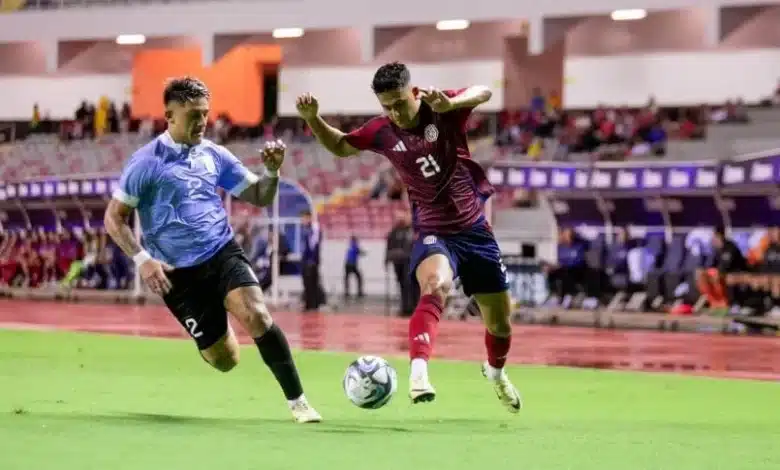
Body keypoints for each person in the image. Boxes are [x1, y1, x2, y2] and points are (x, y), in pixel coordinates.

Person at [296, 62, 521, 412]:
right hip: (434, 231)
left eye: (399, 103)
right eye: (387, 106)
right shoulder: (382, 131)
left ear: (413, 92)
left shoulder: (440, 108)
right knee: (435, 285)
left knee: (501, 323)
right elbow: (341, 146)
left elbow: (484, 92)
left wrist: (454, 104)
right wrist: (313, 119)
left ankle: (495, 373)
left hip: (476, 232)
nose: (395, 112)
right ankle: (419, 374)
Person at [104, 76, 321, 423]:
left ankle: (299, 403)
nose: (202, 122)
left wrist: (272, 170)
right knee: (225, 360)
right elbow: (114, 219)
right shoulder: (145, 163)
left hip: (221, 253)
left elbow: (259, 195)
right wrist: (143, 260)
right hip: (177, 275)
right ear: (170, 116)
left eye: (205, 113)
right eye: (193, 115)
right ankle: (215, 330)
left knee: (258, 315)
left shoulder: (214, 155)